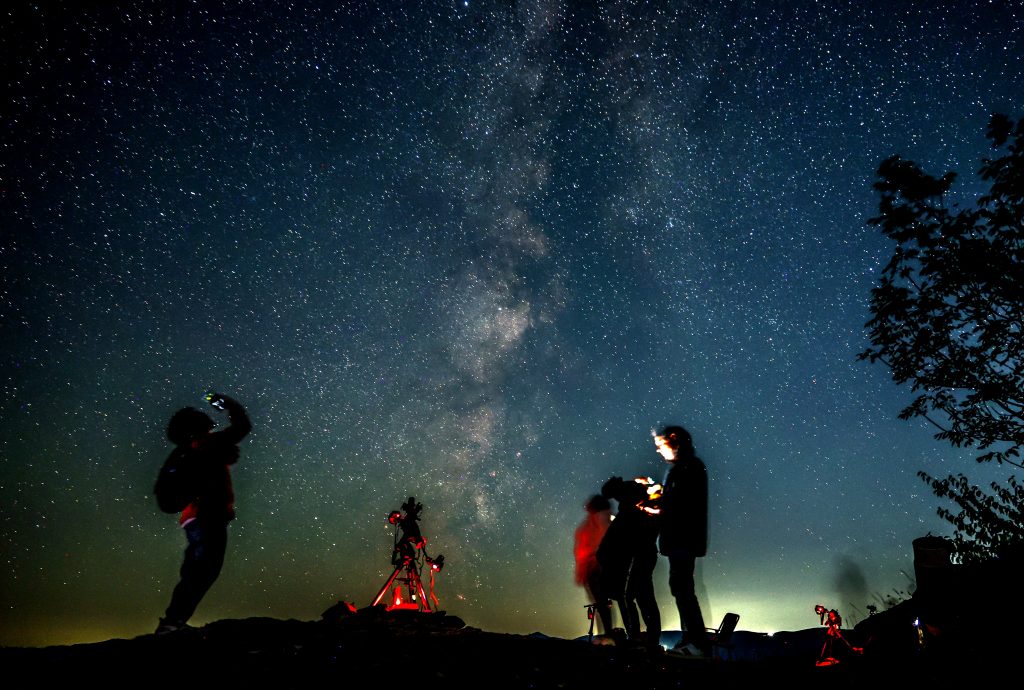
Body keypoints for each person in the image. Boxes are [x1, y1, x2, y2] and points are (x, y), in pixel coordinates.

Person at [156, 392, 251, 634]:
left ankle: (173, 621)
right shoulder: (205, 446)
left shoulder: (186, 452)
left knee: (199, 568)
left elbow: (164, 492)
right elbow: (242, 426)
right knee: (203, 569)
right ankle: (172, 622)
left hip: (198, 517)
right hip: (207, 516)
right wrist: (228, 404)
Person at [654, 425, 710, 656]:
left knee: (683, 588)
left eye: (661, 445)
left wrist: (658, 504)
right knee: (681, 588)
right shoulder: (686, 467)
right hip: (683, 538)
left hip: (683, 538)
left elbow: (681, 504)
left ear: (674, 441)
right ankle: (692, 639)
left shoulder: (688, 468)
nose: (658, 450)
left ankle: (697, 643)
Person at [597, 476, 662, 650]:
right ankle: (649, 638)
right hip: (643, 555)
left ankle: (638, 638)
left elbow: (618, 536)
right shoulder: (637, 502)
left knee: (630, 597)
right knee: (642, 597)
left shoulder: (631, 507)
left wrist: (605, 554)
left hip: (638, 556)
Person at [574, 494, 614, 641]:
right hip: (598, 565)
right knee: (602, 603)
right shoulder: (602, 521)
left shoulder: (595, 522)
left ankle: (607, 635)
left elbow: (584, 548)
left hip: (595, 566)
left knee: (601, 602)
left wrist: (581, 571)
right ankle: (607, 634)